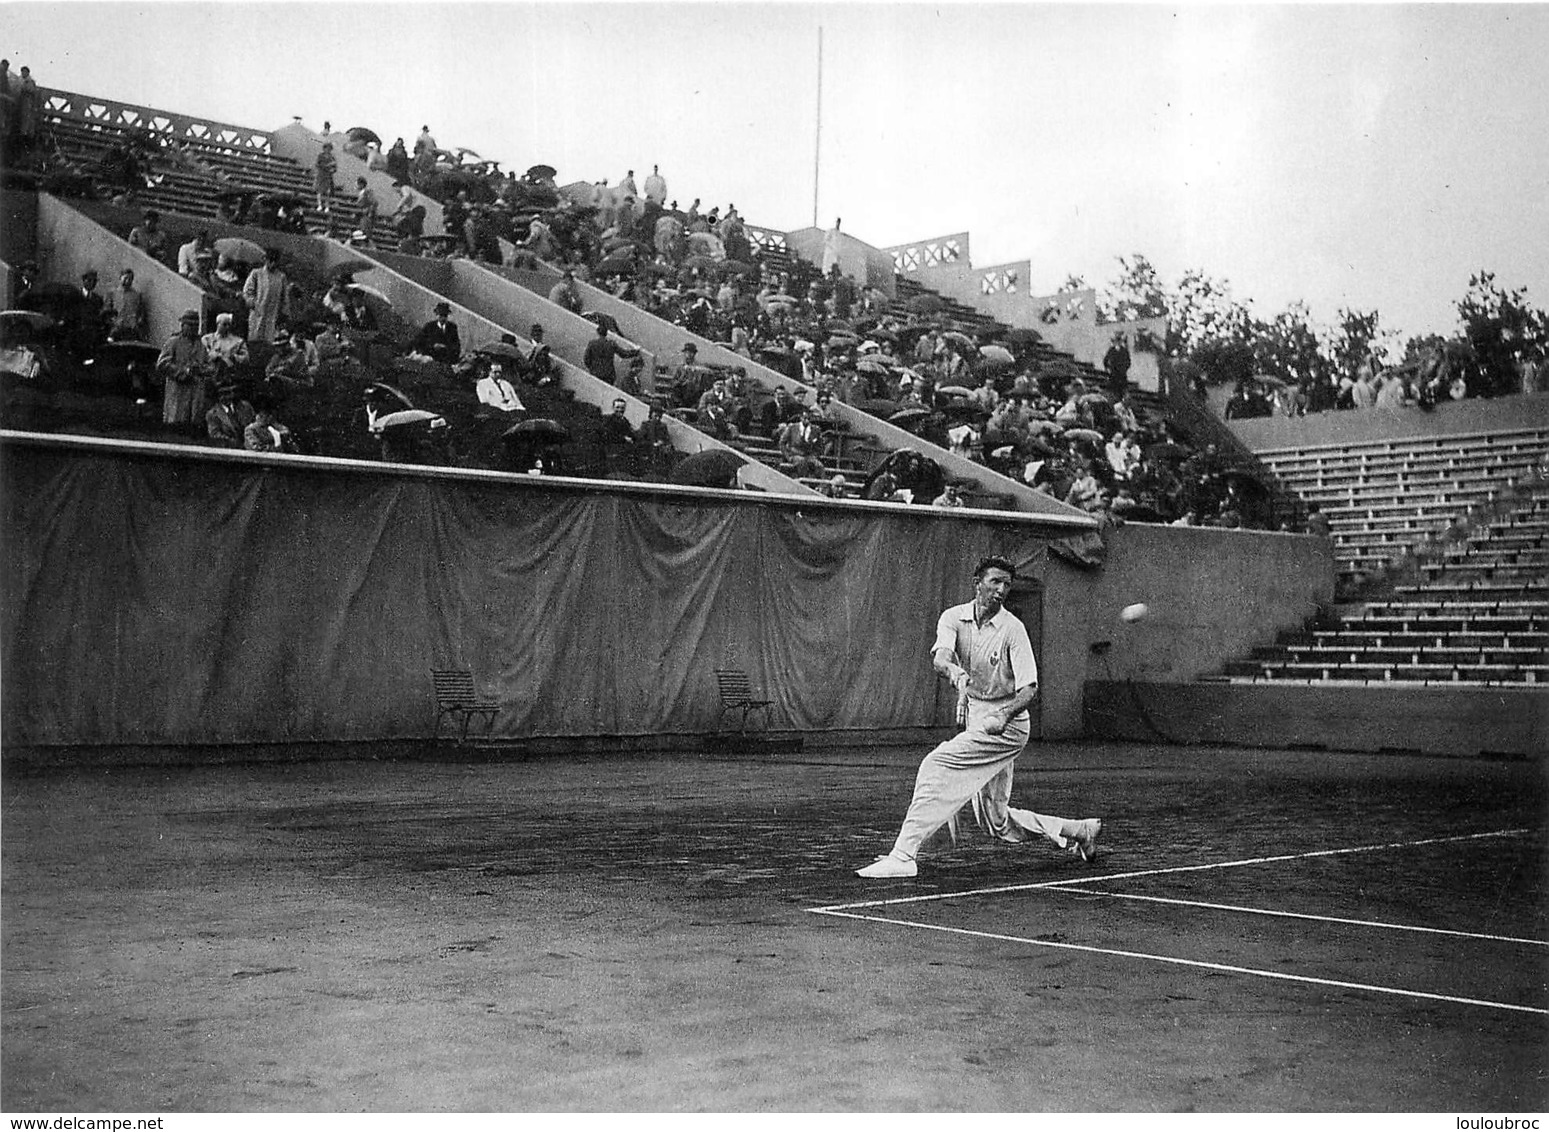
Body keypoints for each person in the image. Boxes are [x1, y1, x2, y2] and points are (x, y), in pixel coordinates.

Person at [857, 556, 1102, 878]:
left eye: (1007, 585)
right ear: (977, 583)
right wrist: (956, 673)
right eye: (995, 582)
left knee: (937, 764)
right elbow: (941, 658)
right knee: (996, 821)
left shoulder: (1013, 629)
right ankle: (1078, 830)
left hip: (1009, 724)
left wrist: (1002, 716)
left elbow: (1029, 689)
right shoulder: (952, 618)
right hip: (978, 715)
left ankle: (903, 855)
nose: (1001, 590)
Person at [156, 310, 213, 427]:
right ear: (183, 325)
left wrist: (201, 370)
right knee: (176, 423)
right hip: (178, 390)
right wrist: (183, 371)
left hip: (196, 392)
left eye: (196, 325)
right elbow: (162, 363)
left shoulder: (202, 344)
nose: (193, 328)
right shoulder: (173, 342)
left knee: (194, 425)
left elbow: (211, 366)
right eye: (190, 325)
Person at [242, 248, 290, 347]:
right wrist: (253, 303)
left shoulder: (281, 277)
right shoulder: (256, 273)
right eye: (270, 261)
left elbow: (285, 297)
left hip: (273, 315)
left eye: (274, 261)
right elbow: (247, 291)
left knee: (269, 342)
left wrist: (284, 313)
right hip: (257, 313)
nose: (272, 264)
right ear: (265, 260)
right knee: (254, 340)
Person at [583, 322, 639, 386]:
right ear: (606, 333)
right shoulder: (611, 344)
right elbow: (623, 354)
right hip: (608, 374)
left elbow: (586, 359)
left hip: (595, 373)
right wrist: (635, 352)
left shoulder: (592, 344)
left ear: (597, 332)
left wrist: (592, 367)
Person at [204, 381, 256, 446]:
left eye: (227, 393)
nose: (225, 397)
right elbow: (215, 435)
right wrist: (234, 443)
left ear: (232, 393)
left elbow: (254, 425)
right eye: (221, 395)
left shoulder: (246, 407)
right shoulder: (212, 414)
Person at [108, 268, 147, 341]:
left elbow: (141, 312)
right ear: (120, 278)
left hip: (130, 330)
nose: (128, 281)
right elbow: (107, 310)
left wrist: (137, 321)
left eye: (130, 279)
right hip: (115, 329)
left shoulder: (136, 295)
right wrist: (113, 321)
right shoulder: (112, 293)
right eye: (125, 278)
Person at [313, 142, 337, 212]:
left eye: (330, 148)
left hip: (328, 176)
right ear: (324, 148)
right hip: (321, 175)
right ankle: (319, 205)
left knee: (327, 192)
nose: (328, 150)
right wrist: (327, 166)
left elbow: (335, 168)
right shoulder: (320, 156)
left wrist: (332, 170)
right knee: (319, 191)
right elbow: (317, 164)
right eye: (327, 148)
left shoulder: (332, 157)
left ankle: (327, 206)